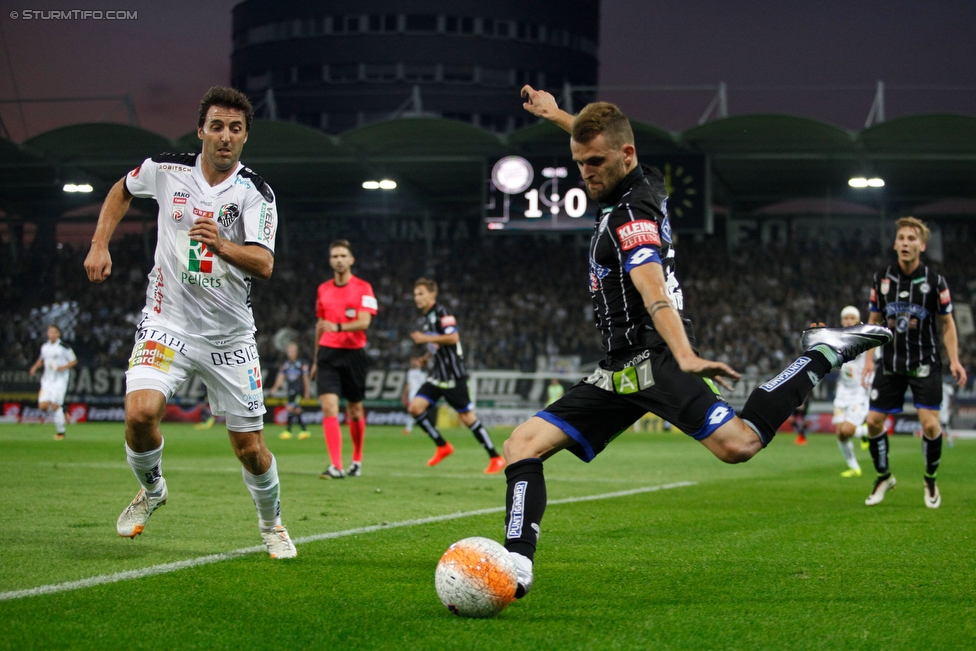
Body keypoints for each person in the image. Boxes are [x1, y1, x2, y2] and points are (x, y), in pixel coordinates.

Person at [501, 86, 891, 599]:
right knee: (520, 446)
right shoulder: (646, 180)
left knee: (740, 445)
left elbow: (652, 286)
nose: (586, 173)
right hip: (618, 369)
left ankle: (822, 351)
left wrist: (683, 355)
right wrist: (557, 116)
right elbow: (600, 141)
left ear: (626, 155)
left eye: (595, 163)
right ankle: (515, 565)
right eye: (579, 163)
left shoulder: (631, 219)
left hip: (654, 358)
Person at [83, 86, 296, 559]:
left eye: (235, 129)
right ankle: (153, 489)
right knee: (139, 414)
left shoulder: (255, 192)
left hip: (230, 337)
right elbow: (122, 188)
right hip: (166, 323)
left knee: (250, 450)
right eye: (217, 126)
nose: (225, 136)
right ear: (202, 130)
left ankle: (272, 523)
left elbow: (263, 264)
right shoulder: (166, 169)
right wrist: (100, 242)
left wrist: (222, 244)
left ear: (245, 137)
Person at [861, 216, 968, 509]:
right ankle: (884, 477)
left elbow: (947, 325)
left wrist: (955, 361)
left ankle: (930, 480)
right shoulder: (881, 279)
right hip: (891, 362)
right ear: (895, 244)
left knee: (931, 426)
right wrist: (868, 360)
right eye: (902, 238)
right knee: (873, 422)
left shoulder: (936, 282)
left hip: (924, 362)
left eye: (912, 239)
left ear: (922, 245)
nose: (905, 243)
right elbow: (873, 321)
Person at [406, 278, 506, 474]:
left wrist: (426, 338)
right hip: (437, 375)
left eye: (421, 293)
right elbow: (438, 345)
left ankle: (496, 457)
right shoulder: (428, 317)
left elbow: (453, 337)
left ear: (432, 294)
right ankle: (442, 446)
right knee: (415, 408)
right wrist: (425, 358)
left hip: (453, 376)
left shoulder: (443, 313)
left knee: (468, 418)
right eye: (415, 294)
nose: (417, 298)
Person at [310, 240, 377, 479]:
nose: (338, 260)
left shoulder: (363, 288)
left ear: (351, 260)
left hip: (353, 355)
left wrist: (337, 326)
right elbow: (320, 326)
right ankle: (336, 466)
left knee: (355, 411)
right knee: (329, 408)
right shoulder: (323, 289)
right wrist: (316, 360)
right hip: (328, 354)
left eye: (342, 255)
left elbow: (365, 322)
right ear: (330, 261)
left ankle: (356, 459)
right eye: (334, 256)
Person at [832, 306, 872, 476]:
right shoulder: (836, 338)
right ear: (842, 321)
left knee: (848, 430)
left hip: (858, 391)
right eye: (845, 318)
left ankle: (868, 432)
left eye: (851, 318)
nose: (848, 321)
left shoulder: (864, 336)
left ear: (857, 320)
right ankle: (854, 467)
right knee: (841, 434)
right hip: (843, 391)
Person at [28, 324, 77, 440]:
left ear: (58, 334)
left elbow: (74, 361)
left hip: (60, 380)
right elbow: (41, 360)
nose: (52, 334)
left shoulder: (64, 347)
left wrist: (63, 367)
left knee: (55, 405)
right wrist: (34, 367)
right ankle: (63, 411)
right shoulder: (45, 347)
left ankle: (61, 433)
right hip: (47, 380)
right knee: (43, 406)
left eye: (54, 332)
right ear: (47, 334)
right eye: (50, 332)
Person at [269, 341, 311, 440]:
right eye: (289, 351)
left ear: (297, 352)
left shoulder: (301, 363)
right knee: (296, 409)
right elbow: (281, 377)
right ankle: (304, 430)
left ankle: (288, 431)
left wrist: (306, 392)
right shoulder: (286, 364)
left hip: (298, 389)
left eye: (293, 350)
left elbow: (305, 378)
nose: (291, 353)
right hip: (290, 389)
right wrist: (274, 388)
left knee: (290, 407)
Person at [401, 352, 429, 435]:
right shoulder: (410, 372)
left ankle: (427, 428)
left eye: (415, 361)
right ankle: (409, 429)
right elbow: (408, 384)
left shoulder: (422, 372)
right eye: (412, 361)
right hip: (412, 394)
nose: (413, 362)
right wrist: (404, 394)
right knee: (413, 411)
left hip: (420, 394)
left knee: (418, 411)